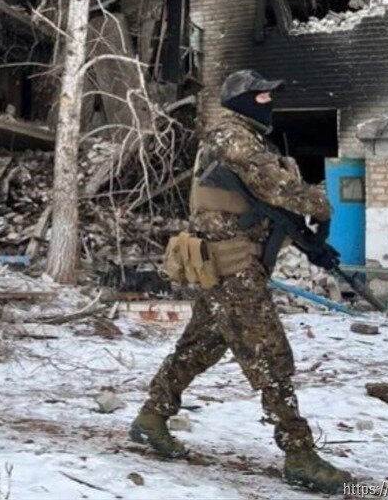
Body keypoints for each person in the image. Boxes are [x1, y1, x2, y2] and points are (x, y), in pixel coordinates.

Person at [130, 70, 352, 493]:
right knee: (270, 356)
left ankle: (151, 417)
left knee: (199, 347)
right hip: (232, 269)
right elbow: (279, 189)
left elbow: (266, 210)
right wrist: (321, 204)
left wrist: (311, 244)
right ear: (240, 101)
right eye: (261, 96)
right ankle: (299, 454)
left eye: (270, 95)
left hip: (228, 267)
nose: (269, 102)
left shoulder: (247, 139)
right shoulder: (233, 137)